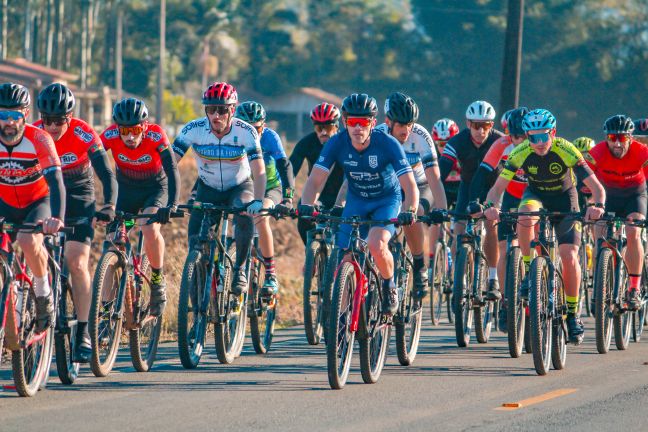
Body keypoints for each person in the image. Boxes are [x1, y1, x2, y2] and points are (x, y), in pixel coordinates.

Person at [483, 108, 606, 344]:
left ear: (554, 133)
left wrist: (598, 205)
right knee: (524, 213)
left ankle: (572, 314)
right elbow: (497, 189)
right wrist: (490, 206)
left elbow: (597, 187)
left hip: (565, 197)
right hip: (536, 194)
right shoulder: (520, 152)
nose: (538, 143)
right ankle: (529, 273)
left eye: (543, 136)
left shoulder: (566, 149)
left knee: (568, 255)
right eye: (533, 137)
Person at [299, 93, 418, 315]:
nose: (357, 128)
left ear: (373, 123)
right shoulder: (337, 142)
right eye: (352, 122)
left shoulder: (388, 144)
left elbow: (410, 187)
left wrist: (409, 210)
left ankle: (389, 285)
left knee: (376, 243)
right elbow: (315, 180)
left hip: (386, 200)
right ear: (345, 122)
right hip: (357, 200)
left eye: (363, 122)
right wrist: (307, 204)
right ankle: (342, 322)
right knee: (344, 255)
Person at [34, 83, 117, 362]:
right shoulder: (34, 133)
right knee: (35, 254)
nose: (53, 126)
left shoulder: (83, 132)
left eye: (59, 121)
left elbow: (106, 173)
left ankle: (83, 331)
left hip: (80, 195)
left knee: (77, 261)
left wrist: (110, 206)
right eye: (48, 120)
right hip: (47, 195)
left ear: (70, 117)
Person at [173, 82, 266, 297]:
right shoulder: (193, 130)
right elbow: (169, 165)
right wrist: (169, 198)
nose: (216, 115)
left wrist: (258, 201)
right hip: (208, 187)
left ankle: (240, 268)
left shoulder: (246, 132)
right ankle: (200, 287)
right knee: (195, 238)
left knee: (243, 213)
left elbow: (259, 171)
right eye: (210, 109)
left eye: (222, 110)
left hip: (239, 186)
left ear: (232, 110)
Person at [100, 98, 180, 317]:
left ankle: (156, 280)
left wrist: (172, 204)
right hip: (125, 192)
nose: (130, 136)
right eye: (124, 130)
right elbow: (90, 160)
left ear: (144, 126)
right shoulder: (109, 136)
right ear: (117, 128)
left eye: (135, 129)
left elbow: (172, 170)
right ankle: (106, 312)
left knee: (148, 226)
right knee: (112, 243)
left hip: (154, 190)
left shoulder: (157, 135)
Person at [0, 82, 65, 333]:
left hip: (38, 201)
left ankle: (42, 290)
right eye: (2, 115)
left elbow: (57, 181)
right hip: (5, 202)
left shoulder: (39, 138)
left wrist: (57, 218)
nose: (8, 122)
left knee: (28, 240)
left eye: (15, 116)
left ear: (25, 115)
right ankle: (11, 289)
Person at [376, 92, 447, 299]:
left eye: (410, 124)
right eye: (401, 125)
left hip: (420, 185)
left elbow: (434, 178)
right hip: (390, 188)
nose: (406, 130)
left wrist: (441, 208)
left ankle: (419, 265)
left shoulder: (421, 136)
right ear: (388, 122)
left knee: (412, 215)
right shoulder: (378, 134)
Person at [467, 107, 529, 331]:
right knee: (505, 248)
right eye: (516, 136)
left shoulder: (540, 146)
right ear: (508, 134)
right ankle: (506, 301)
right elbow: (482, 174)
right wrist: (475, 201)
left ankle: (543, 287)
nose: (520, 141)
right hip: (511, 196)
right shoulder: (501, 145)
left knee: (537, 245)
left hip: (537, 196)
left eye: (525, 136)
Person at [439, 100, 504, 300]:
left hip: (492, 190)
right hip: (467, 189)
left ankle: (493, 278)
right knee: (458, 232)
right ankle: (461, 279)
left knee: (491, 227)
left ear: (491, 125)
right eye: (476, 125)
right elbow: (441, 172)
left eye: (486, 125)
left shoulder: (500, 141)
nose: (481, 131)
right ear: (468, 124)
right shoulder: (457, 142)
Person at [584, 115, 648, 311]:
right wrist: (587, 204)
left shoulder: (642, 152)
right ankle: (601, 284)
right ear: (606, 138)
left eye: (623, 138)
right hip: (608, 196)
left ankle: (634, 289)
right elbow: (583, 180)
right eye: (613, 137)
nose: (617, 143)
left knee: (633, 231)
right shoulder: (597, 153)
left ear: (631, 138)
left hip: (634, 196)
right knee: (600, 233)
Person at [234, 101, 295, 297]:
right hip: (244, 187)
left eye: (256, 128)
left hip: (270, 187)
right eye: (246, 127)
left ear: (264, 126)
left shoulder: (270, 137)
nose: (252, 132)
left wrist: (288, 198)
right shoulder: (233, 137)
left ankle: (270, 273)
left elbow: (284, 166)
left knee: (260, 216)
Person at [290, 103, 345, 245]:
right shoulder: (307, 143)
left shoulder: (345, 143)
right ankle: (311, 258)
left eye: (328, 127)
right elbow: (290, 171)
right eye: (319, 128)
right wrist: (285, 197)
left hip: (342, 195)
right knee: (304, 219)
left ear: (337, 126)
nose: (323, 132)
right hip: (318, 195)